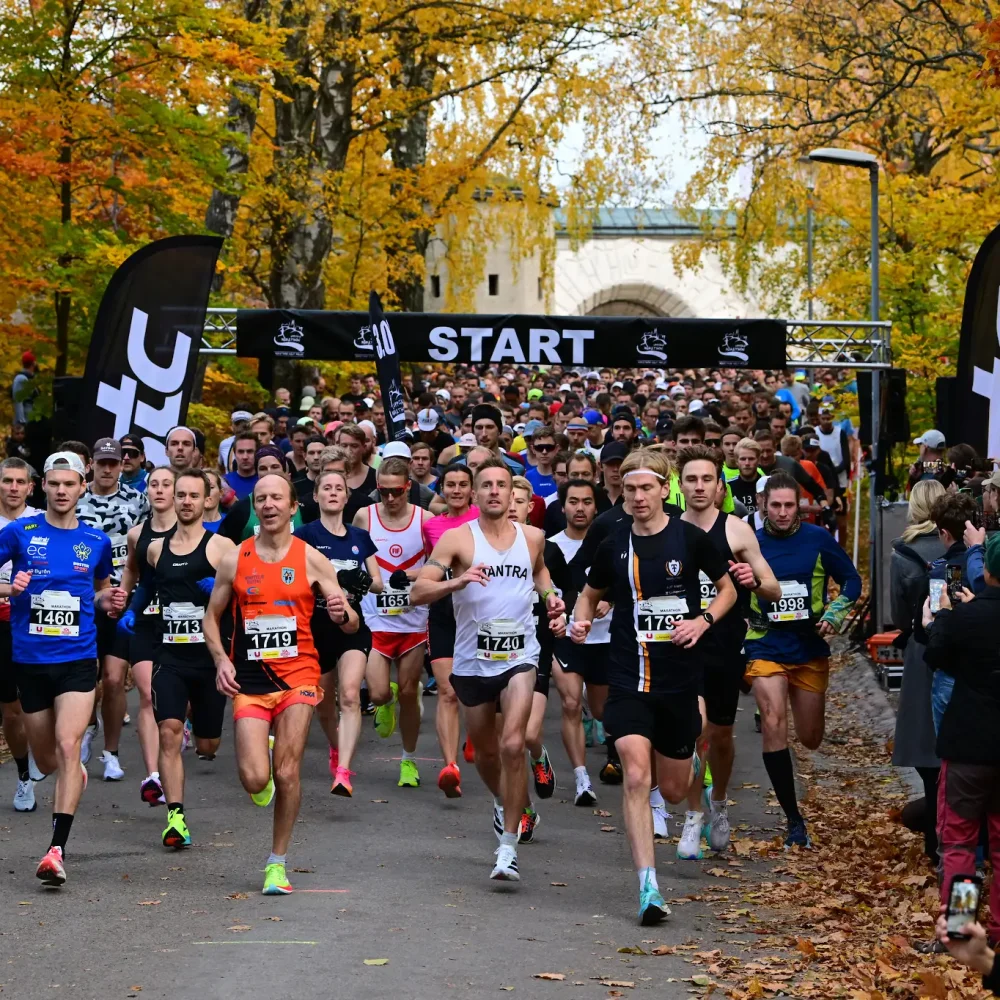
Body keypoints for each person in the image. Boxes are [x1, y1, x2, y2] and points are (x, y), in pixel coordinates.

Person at [571, 448, 737, 924]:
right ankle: (649, 888)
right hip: (627, 678)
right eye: (630, 489)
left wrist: (702, 622)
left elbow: (727, 589)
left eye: (647, 488)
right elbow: (589, 595)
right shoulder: (613, 544)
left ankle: (695, 780)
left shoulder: (691, 539)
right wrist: (582, 623)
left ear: (666, 489)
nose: (639, 497)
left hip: (678, 682)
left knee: (675, 783)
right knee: (637, 778)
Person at [410, 457, 565, 882]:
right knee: (485, 753)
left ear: (515, 494)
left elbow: (540, 574)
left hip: (520, 657)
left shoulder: (533, 537)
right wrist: (454, 583)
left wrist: (551, 597)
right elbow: (418, 591)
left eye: (502, 484)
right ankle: (505, 801)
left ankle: (507, 849)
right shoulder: (458, 541)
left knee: (514, 744)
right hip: (473, 662)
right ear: (475, 494)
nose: (495, 491)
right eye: (487, 485)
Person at [204, 473, 357, 895]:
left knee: (289, 770)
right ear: (255, 507)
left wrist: (343, 612)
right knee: (255, 779)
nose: (269, 505)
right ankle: (264, 776)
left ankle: (277, 863)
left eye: (277, 498)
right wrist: (220, 660)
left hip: (299, 676)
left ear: (293, 507)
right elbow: (211, 616)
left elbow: (350, 623)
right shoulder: (235, 558)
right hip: (250, 678)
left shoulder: (311, 558)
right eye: (261, 499)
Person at [0, 452, 125, 886]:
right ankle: (72, 773)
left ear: (81, 488)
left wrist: (108, 602)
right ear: (43, 488)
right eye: (53, 484)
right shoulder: (20, 532)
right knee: (49, 760)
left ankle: (56, 850)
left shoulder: (95, 540)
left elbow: (100, 591)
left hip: (77, 658)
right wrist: (7, 585)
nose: (60, 491)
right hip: (30, 661)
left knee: (69, 746)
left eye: (68, 484)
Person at [745, 472, 862, 848]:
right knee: (775, 721)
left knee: (810, 738)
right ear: (763, 503)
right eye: (775, 505)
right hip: (764, 642)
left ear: (800, 506)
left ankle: (789, 741)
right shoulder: (748, 543)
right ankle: (793, 820)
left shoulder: (817, 539)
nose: (781, 513)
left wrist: (834, 613)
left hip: (808, 646)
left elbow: (852, 582)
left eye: (789, 505)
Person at [120, 469, 235, 847]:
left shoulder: (222, 548)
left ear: (206, 501)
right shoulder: (156, 548)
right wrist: (133, 611)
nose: (185, 501)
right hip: (168, 653)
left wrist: (220, 591)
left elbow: (246, 597)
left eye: (193, 495)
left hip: (207, 658)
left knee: (207, 746)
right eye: (180, 494)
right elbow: (147, 586)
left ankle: (196, 728)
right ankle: (176, 819)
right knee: (168, 731)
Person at [677, 446, 781, 858]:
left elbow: (773, 588)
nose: (699, 487)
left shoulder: (736, 530)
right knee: (693, 730)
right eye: (691, 480)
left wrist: (751, 579)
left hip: (725, 645)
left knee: (719, 736)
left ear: (720, 487)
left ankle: (718, 802)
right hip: (682, 645)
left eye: (707, 480)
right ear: (680, 486)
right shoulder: (668, 528)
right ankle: (691, 815)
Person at [923, 533, 1000, 948]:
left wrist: (936, 622)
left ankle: (960, 926)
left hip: (968, 743)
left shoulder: (964, 618)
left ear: (986, 570)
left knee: (959, 844)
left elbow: (936, 655)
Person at [295, 470, 381, 796]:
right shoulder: (303, 535)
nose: (333, 493)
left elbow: (377, 582)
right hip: (315, 629)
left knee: (348, 695)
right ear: (315, 496)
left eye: (339, 489)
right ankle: (335, 748)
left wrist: (358, 582)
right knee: (323, 704)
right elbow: (294, 579)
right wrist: (330, 582)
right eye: (326, 488)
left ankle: (343, 771)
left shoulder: (360, 537)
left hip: (351, 626)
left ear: (347, 497)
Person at [75, 437, 151, 781]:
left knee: (114, 678)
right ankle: (88, 724)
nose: (107, 469)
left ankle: (111, 752)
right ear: (91, 464)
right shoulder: (76, 499)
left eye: (114, 463)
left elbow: (150, 548)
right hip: (81, 600)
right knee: (84, 677)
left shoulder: (138, 501)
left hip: (122, 600)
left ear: (122, 465)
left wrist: (137, 595)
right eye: (102, 462)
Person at [354, 456, 433, 788]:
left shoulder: (425, 521)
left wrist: (416, 578)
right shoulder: (365, 517)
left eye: (396, 492)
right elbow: (354, 556)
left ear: (408, 488)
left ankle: (408, 761)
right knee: (377, 692)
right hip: (376, 621)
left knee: (408, 696)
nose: (389, 498)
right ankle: (385, 700)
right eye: (383, 491)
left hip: (413, 623)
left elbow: (437, 565)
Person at [99, 466, 176, 796]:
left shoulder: (193, 532)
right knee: (147, 694)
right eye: (154, 484)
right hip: (145, 617)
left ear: (177, 491)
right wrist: (122, 601)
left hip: (181, 623)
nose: (159, 490)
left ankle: (177, 733)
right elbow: (130, 572)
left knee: (178, 702)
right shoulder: (137, 533)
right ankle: (154, 776)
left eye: (166, 484)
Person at [889, 479, 947, 865]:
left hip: (921, 649)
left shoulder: (903, 553)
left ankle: (936, 842)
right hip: (957, 651)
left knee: (925, 742)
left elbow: (898, 614)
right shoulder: (958, 549)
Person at [422, 465, 479, 797]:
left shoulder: (483, 521)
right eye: (450, 485)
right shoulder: (432, 526)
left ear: (472, 489)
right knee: (447, 691)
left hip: (477, 611)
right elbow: (430, 568)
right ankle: (450, 766)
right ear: (441, 488)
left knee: (474, 687)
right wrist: (406, 577)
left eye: (462, 485)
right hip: (443, 609)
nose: (456, 490)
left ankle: (475, 735)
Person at [549, 479, 607, 807]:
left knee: (601, 710)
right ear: (563, 508)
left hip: (606, 638)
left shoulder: (610, 542)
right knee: (570, 704)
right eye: (573, 501)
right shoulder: (550, 546)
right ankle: (581, 778)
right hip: (568, 637)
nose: (580, 507)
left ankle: (591, 705)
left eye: (586, 501)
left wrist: (608, 602)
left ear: (595, 508)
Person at [0, 457, 42, 811]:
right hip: (1, 620)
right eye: (6, 481)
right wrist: (7, 590)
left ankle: (41, 756)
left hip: (34, 623)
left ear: (31, 487)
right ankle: (24, 776)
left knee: (31, 705)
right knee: (10, 710)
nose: (12, 488)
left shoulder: (42, 522)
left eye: (19, 482)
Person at [219, 447, 307, 541]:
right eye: (263, 468)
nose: (269, 472)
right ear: (257, 474)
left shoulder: (303, 505)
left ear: (285, 471)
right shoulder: (242, 508)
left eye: (275, 467)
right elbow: (225, 544)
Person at [524, 425, 560, 498]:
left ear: (556, 449)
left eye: (549, 447)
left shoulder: (564, 476)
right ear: (533, 449)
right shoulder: (526, 477)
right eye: (539, 448)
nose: (544, 452)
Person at [224, 431, 260, 500]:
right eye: (240, 452)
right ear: (235, 453)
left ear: (257, 453)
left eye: (250, 451)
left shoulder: (265, 481)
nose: (245, 457)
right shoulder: (225, 483)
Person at [12, 350, 39, 425]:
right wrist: (21, 421)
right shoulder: (21, 378)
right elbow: (18, 400)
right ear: (34, 363)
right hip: (25, 420)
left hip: (31, 420)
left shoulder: (29, 378)